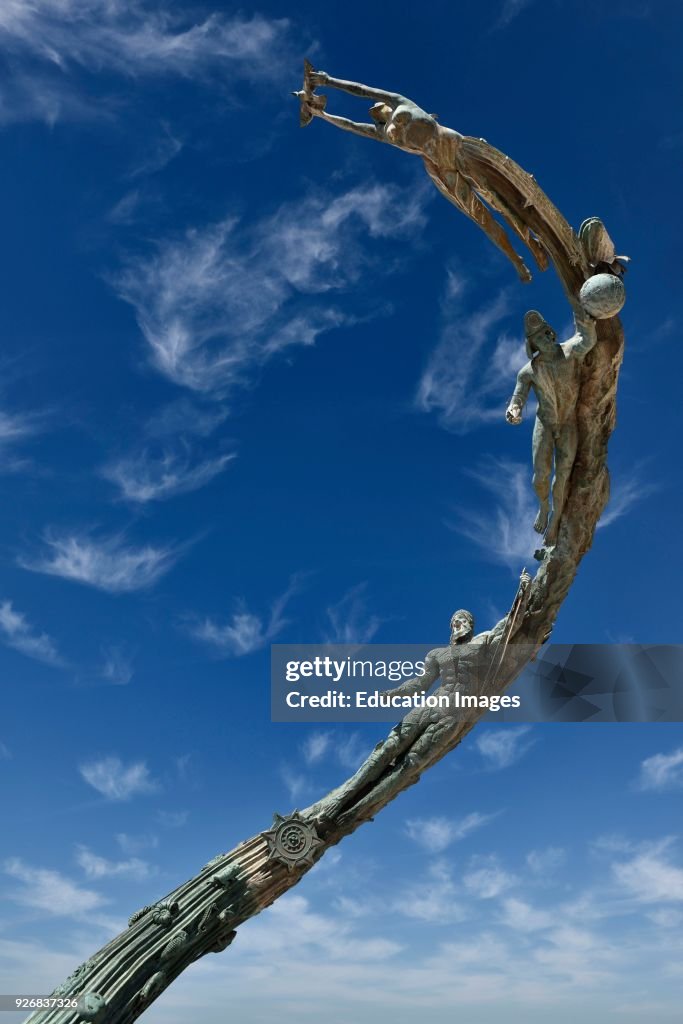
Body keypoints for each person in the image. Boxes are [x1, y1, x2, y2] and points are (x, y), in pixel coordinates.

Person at [303, 570, 531, 822]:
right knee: (388, 747)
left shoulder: (482, 642)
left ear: (470, 624)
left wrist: (524, 589)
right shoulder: (437, 654)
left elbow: (510, 624)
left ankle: (353, 812)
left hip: (453, 715)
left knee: (408, 766)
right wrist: (393, 693)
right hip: (430, 706)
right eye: (454, 621)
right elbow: (420, 683)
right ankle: (340, 797)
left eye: (462, 619)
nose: (458, 623)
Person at [295, 65, 550, 283]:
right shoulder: (384, 134)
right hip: (440, 166)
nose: (374, 110)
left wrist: (329, 81)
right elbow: (351, 126)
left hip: (455, 148)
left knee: (500, 202)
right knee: (482, 218)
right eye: (374, 111)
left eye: (377, 107)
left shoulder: (401, 104)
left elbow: (361, 90)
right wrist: (322, 114)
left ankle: (533, 243)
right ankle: (517, 261)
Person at [506, 307, 597, 547]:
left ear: (552, 333)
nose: (545, 339)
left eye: (547, 333)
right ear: (533, 345)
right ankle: (544, 506)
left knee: (564, 471)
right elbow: (518, 398)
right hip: (544, 423)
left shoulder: (569, 350)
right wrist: (513, 411)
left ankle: (556, 517)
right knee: (540, 476)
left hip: (568, 422)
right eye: (539, 338)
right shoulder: (529, 371)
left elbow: (586, 341)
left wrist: (587, 326)